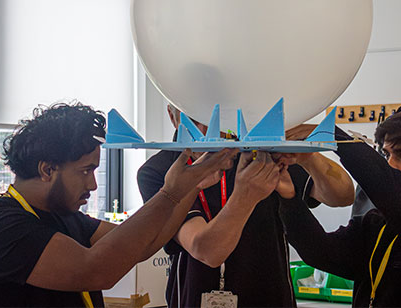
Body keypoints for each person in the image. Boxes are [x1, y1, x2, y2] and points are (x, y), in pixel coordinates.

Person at [0, 103, 243, 307]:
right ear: (47, 170)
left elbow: (145, 244)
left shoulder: (63, 216)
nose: (93, 185)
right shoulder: (0, 228)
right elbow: (96, 270)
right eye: (85, 171)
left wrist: (190, 186)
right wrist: (170, 193)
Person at [137, 104, 355, 307]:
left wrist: (308, 158)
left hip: (272, 297)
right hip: (195, 297)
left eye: (210, 117)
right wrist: (247, 193)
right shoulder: (160, 170)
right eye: (193, 119)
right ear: (172, 116)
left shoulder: (257, 152)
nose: (204, 129)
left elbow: (343, 195)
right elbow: (207, 251)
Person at [278, 108, 401, 307]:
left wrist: (339, 139)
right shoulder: (377, 223)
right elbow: (321, 251)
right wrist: (289, 197)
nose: (390, 164)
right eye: (386, 155)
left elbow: (400, 199)